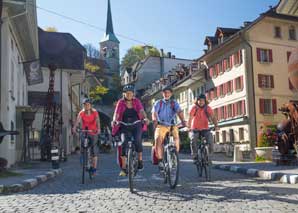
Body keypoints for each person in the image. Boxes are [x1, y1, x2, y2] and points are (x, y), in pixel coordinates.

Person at [112, 85, 149, 176]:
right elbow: (116, 113)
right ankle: (124, 168)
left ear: (133, 94)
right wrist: (114, 121)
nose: (129, 95)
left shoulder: (137, 101)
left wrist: (145, 118)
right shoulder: (120, 102)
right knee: (124, 143)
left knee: (137, 141)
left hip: (136, 124)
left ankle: (140, 160)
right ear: (124, 94)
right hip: (124, 125)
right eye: (127, 93)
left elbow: (141, 111)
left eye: (130, 93)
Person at [151, 86, 186, 171]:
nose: (166, 94)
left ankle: (175, 155)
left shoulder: (174, 103)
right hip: (161, 125)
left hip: (172, 125)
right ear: (162, 94)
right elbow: (154, 113)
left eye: (168, 93)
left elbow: (179, 112)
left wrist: (183, 121)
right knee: (158, 139)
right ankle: (160, 160)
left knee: (176, 138)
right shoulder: (158, 103)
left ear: (171, 94)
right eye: (165, 93)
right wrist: (155, 120)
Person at [72, 98, 101, 176]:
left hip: (93, 132)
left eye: (88, 105)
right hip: (85, 131)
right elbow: (78, 121)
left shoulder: (95, 112)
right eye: (85, 105)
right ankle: (84, 156)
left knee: (93, 150)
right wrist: (74, 127)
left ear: (91, 105)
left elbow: (98, 121)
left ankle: (94, 169)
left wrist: (98, 129)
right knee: (83, 145)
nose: (86, 106)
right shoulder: (81, 112)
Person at [187, 94, 219, 162]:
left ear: (205, 101)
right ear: (197, 101)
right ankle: (195, 156)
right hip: (195, 129)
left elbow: (213, 117)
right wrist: (189, 127)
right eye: (199, 100)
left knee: (210, 140)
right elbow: (190, 118)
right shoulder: (194, 108)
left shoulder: (208, 108)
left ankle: (209, 156)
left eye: (202, 100)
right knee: (193, 140)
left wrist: (216, 126)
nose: (201, 102)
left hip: (205, 129)